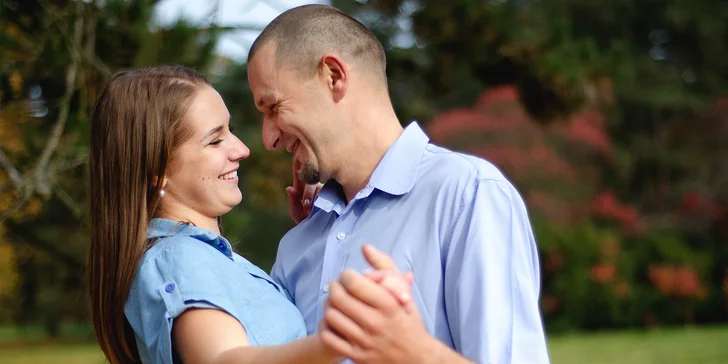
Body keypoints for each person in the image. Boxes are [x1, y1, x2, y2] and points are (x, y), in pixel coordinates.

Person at [247, 4, 551, 364]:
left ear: (333, 75)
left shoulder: (468, 195)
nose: (268, 139)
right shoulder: (296, 247)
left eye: (273, 107)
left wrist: (414, 352)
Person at [86, 65, 411, 364]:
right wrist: (338, 340)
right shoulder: (177, 259)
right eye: (215, 140)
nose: (242, 149)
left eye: (231, 131)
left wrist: (314, 232)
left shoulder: (205, 258)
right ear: (158, 169)